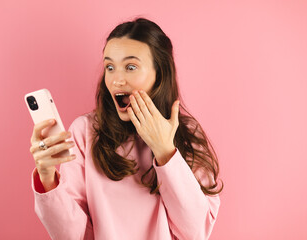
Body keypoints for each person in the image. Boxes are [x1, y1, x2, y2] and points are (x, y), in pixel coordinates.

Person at [29, 17, 224, 240]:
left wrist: (165, 152)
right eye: (110, 67)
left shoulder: (187, 133)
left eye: (131, 67)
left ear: (159, 74)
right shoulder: (85, 132)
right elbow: (72, 235)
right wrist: (46, 177)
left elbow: (196, 233)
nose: (116, 80)